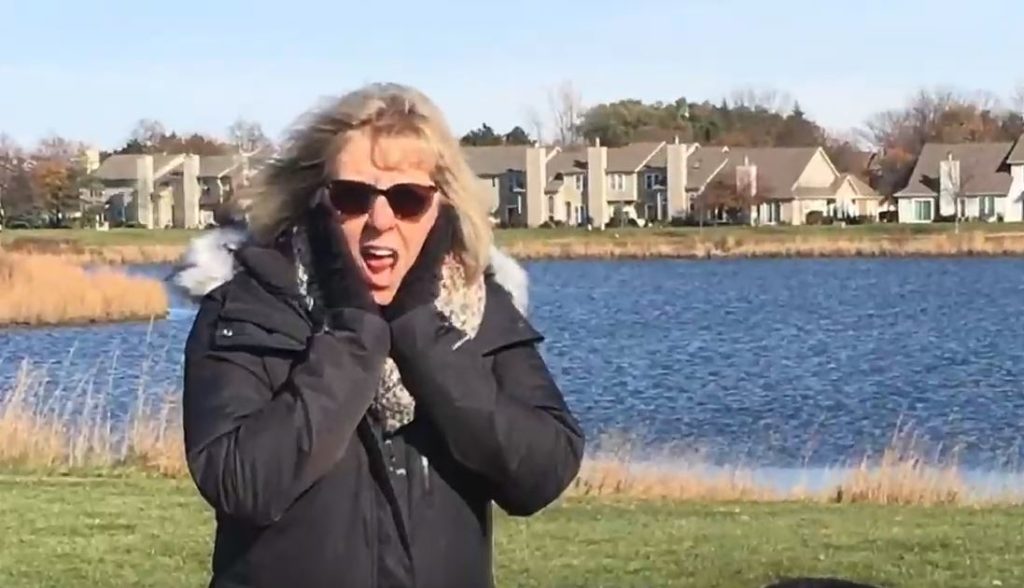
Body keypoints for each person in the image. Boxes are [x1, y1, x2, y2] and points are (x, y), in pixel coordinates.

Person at [175, 82, 585, 588]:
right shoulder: (248, 305)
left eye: (409, 199)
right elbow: (242, 483)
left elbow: (542, 472)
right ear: (313, 201)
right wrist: (352, 337)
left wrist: (423, 337)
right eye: (351, 197)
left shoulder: (478, 307)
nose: (380, 221)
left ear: (443, 209)